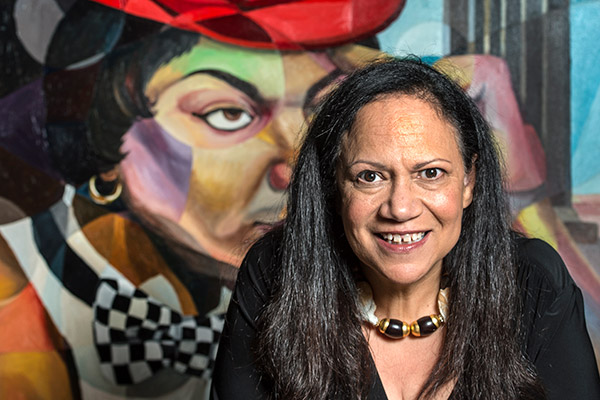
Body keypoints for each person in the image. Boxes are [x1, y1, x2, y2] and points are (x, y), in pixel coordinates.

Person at [211, 58, 600, 399]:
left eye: (431, 173)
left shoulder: (534, 283)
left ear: (468, 181)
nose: (401, 208)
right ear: (334, 185)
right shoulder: (276, 274)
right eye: (370, 176)